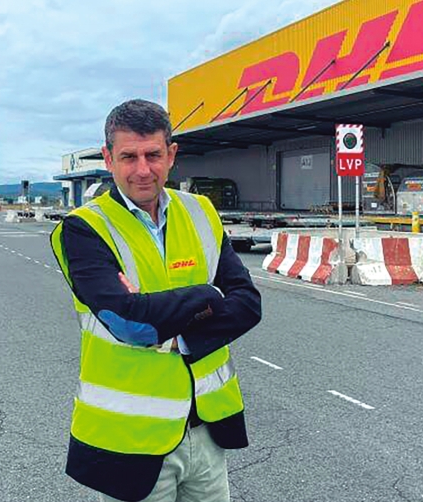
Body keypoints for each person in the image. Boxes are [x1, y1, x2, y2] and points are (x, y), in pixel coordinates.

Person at [50, 99, 262, 502]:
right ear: (109, 159)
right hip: (129, 439)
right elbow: (132, 323)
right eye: (129, 156)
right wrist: (207, 294)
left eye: (153, 155)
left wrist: (177, 332)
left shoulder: (201, 212)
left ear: (172, 155)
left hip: (205, 430)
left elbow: (248, 304)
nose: (143, 169)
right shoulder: (83, 230)